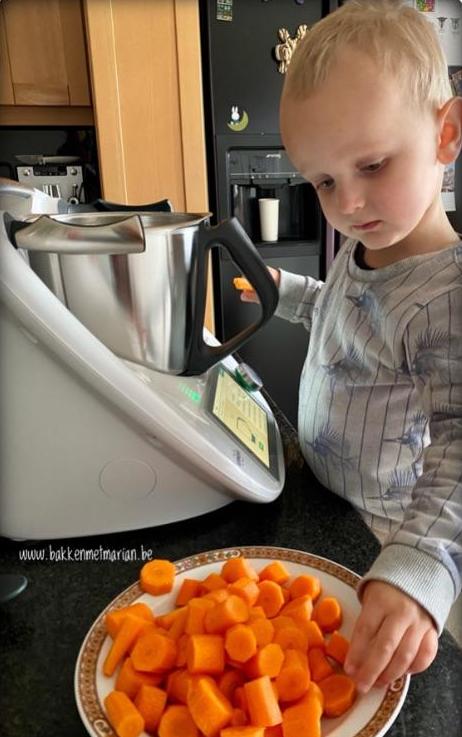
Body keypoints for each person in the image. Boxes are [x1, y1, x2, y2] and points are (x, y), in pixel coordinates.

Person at [240, 0, 462, 693]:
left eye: (371, 164)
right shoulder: (367, 248)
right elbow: (344, 315)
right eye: (325, 181)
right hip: (331, 504)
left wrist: (418, 568)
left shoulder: (447, 295)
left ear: (447, 134)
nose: (346, 204)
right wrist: (286, 291)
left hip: (394, 542)